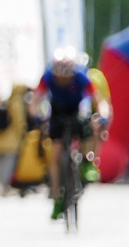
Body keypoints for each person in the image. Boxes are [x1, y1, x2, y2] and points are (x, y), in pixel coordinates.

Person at [36, 49, 95, 219]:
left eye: (66, 77)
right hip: (57, 110)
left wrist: (101, 114)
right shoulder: (47, 77)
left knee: (86, 126)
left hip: (75, 109)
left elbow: (97, 99)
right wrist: (34, 115)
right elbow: (36, 99)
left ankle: (87, 162)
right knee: (55, 153)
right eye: (59, 77)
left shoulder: (81, 77)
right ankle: (56, 196)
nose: (62, 80)